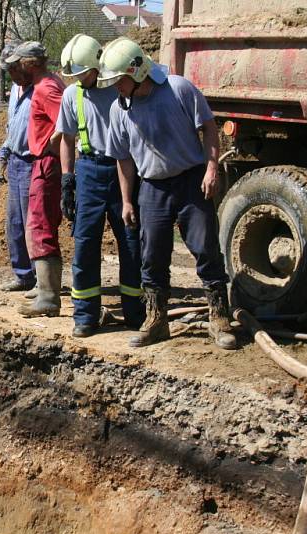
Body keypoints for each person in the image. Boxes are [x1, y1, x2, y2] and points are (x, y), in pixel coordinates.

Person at [100, 37, 237, 350]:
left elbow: (209, 128)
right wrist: (126, 201)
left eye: (118, 81)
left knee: (205, 248)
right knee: (152, 255)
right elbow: (123, 158)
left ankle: (219, 317)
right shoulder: (119, 109)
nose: (115, 88)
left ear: (135, 73)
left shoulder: (178, 89)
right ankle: (156, 319)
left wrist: (211, 168)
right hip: (152, 187)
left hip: (191, 180)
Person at [56, 34, 144, 338]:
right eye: (75, 75)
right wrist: (68, 179)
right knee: (85, 244)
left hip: (124, 169)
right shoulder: (72, 95)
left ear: (97, 65)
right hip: (89, 170)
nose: (78, 78)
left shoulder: (120, 90)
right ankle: (85, 316)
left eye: (83, 72)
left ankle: (136, 312)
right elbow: (67, 138)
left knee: (131, 242)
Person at [3, 42, 65, 318]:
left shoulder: (47, 88)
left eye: (20, 64)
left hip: (44, 163)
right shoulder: (42, 86)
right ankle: (43, 291)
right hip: (40, 161)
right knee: (32, 224)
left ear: (32, 63)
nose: (16, 69)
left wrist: (50, 146)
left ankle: (49, 296)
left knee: (40, 225)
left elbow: (67, 124)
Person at [0, 43, 36, 293]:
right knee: (15, 222)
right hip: (17, 162)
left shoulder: (41, 91)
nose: (12, 76)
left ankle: (40, 280)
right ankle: (22, 275)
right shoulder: (16, 90)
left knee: (33, 223)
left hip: (34, 162)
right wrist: (3, 154)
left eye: (14, 70)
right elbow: (13, 128)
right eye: (8, 72)